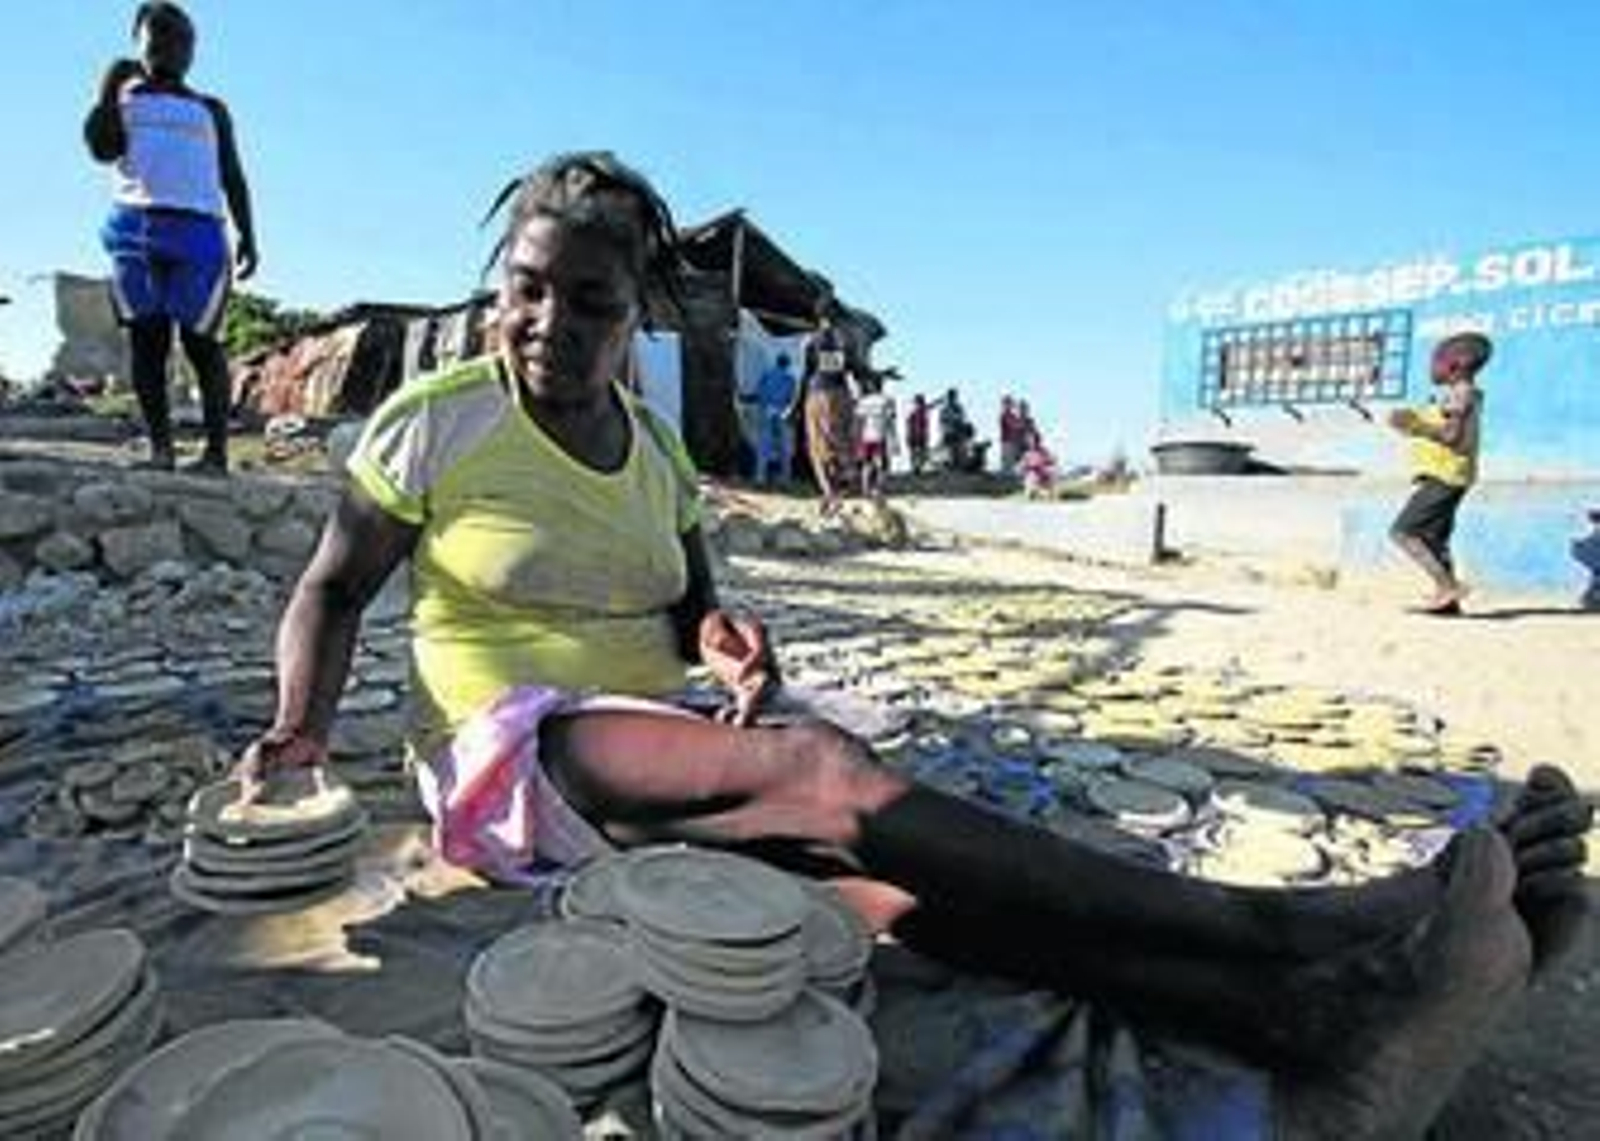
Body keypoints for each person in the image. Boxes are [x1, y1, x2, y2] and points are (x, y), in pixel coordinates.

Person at [241, 152, 1592, 1139]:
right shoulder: (440, 418)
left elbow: (693, 611)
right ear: (498, 293)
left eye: (587, 302)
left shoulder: (652, 449)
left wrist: (730, 647)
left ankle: (1314, 1033)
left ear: (633, 314)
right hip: (513, 756)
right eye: (526, 291)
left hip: (654, 736)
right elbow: (334, 589)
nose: (548, 323)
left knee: (887, 884)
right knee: (826, 784)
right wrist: (301, 720)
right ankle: (1301, 927)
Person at [82, 2, 257, 475]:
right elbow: (101, 148)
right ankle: (162, 449)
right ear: (137, 43)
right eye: (158, 38)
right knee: (147, 342)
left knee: (202, 342)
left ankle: (216, 453)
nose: (170, 48)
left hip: (200, 234)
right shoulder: (122, 101)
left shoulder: (210, 110)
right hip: (133, 231)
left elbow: (232, 176)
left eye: (181, 40)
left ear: (193, 50)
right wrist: (109, 84)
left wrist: (249, 233)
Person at [1387, 333, 1489, 615]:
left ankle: (1448, 586)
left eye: (1436, 362)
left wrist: (1415, 426)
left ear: (1456, 365)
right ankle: (1448, 603)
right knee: (1434, 540)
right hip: (1449, 475)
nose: (1432, 368)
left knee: (1403, 532)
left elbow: (1453, 436)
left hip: (1446, 476)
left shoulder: (1461, 394)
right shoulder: (1461, 393)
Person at [802, 314, 855, 515]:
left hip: (819, 393)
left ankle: (829, 493)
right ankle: (839, 490)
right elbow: (852, 367)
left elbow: (808, 367)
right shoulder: (845, 340)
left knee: (817, 445)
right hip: (843, 392)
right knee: (841, 440)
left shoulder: (813, 340)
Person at [748, 352, 799, 486]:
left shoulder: (766, 375)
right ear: (787, 364)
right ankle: (785, 479)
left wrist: (765, 407)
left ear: (777, 362)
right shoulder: (790, 378)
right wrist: (786, 412)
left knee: (764, 446)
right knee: (785, 448)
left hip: (767, 411)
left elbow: (759, 393)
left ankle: (760, 478)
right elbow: (792, 399)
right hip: (783, 414)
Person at [854, 376, 896, 500]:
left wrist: (857, 438)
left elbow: (858, 421)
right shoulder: (887, 400)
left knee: (866, 464)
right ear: (882, 386)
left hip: (866, 436)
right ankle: (878, 490)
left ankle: (865, 490)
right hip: (880, 435)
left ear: (871, 387)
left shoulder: (864, 401)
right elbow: (891, 420)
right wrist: (893, 439)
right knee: (883, 465)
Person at [999, 394, 1025, 476]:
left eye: (1010, 403)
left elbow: (1019, 425)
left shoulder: (1012, 415)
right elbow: (1014, 425)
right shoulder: (1005, 415)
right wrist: (1019, 425)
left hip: (1012, 442)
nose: (1009, 406)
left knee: (1012, 463)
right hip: (1007, 441)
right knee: (1007, 463)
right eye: (1007, 403)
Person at [905, 393, 930, 476]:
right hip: (917, 435)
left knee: (918, 453)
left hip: (917, 434)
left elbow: (908, 423)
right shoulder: (917, 411)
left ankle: (917, 467)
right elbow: (908, 423)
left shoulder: (918, 411)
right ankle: (916, 467)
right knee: (919, 452)